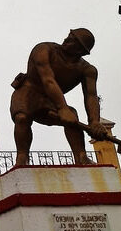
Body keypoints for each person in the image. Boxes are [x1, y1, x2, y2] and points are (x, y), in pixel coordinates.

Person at [10, 28, 108, 166]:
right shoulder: (43, 49)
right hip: (28, 92)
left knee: (72, 118)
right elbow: (48, 80)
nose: (67, 40)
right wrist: (62, 108)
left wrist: (94, 122)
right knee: (22, 118)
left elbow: (91, 96)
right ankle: (22, 157)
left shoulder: (87, 70)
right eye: (69, 36)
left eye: (73, 40)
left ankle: (81, 157)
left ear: (81, 51)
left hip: (51, 99)